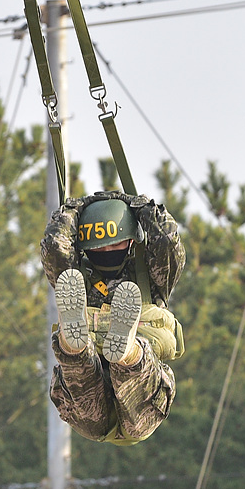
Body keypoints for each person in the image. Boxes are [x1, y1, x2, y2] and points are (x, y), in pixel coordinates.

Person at [40, 190, 186, 445]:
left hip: (137, 406)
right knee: (80, 371)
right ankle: (76, 345)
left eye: (115, 243)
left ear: (131, 241)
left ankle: (125, 351)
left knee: (133, 375)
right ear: (86, 248)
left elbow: (166, 242)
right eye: (99, 246)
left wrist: (143, 208)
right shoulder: (78, 278)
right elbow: (55, 248)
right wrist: (74, 209)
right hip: (93, 404)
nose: (107, 250)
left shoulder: (150, 278)